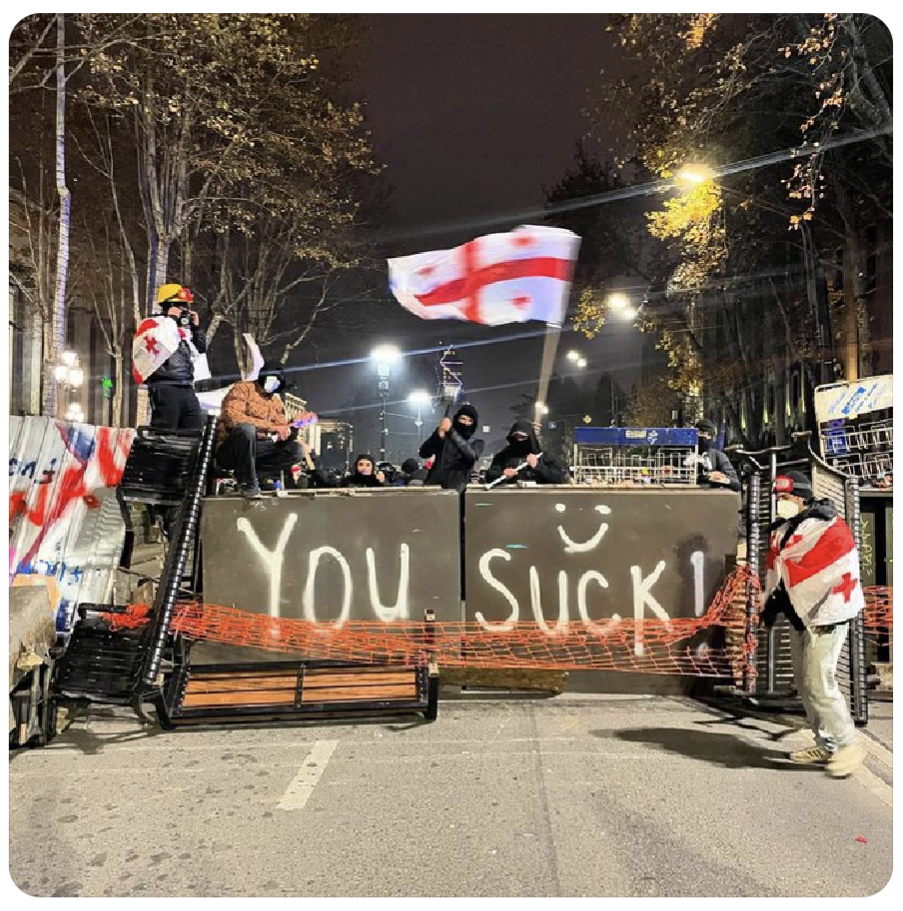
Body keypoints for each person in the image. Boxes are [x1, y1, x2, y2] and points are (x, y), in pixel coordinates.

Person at [760, 469, 867, 778]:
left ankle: (848, 745)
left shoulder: (828, 526)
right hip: (800, 616)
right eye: (779, 497)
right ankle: (828, 743)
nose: (781, 502)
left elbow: (830, 568)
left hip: (828, 615)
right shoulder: (783, 531)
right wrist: (772, 600)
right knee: (806, 684)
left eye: (786, 497)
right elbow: (781, 569)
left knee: (820, 683)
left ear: (801, 498)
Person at [214, 361, 310, 498]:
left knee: (297, 450)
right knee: (246, 430)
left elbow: (283, 433)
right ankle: (248, 482)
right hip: (232, 449)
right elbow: (233, 418)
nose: (274, 384)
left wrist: (294, 425)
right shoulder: (243, 388)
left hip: (258, 450)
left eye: (278, 382)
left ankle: (256, 476)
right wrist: (271, 427)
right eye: (272, 379)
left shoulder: (275, 402)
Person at [144, 283, 207, 431]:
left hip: (186, 385)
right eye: (180, 306)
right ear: (168, 305)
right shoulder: (153, 324)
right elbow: (160, 342)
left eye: (186, 306)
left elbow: (200, 350)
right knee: (166, 431)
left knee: (193, 430)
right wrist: (171, 319)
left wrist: (196, 328)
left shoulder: (182, 331)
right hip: (165, 385)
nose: (184, 310)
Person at [419, 403, 484, 493]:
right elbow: (424, 453)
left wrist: (451, 431)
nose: (465, 423)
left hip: (458, 489)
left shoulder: (477, 442)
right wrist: (437, 436)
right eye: (463, 419)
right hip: (435, 487)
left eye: (469, 421)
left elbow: (471, 456)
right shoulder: (445, 438)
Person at [484, 418, 569, 485]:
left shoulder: (544, 456)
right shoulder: (503, 456)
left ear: (530, 438)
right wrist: (502, 474)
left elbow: (559, 478)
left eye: (523, 437)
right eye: (516, 437)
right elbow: (489, 476)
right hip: (510, 500)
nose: (519, 440)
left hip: (541, 500)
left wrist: (538, 467)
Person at [695, 419, 740, 491]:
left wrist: (722, 479)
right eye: (702, 435)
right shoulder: (685, 455)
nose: (706, 438)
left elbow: (736, 484)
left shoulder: (718, 457)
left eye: (709, 435)